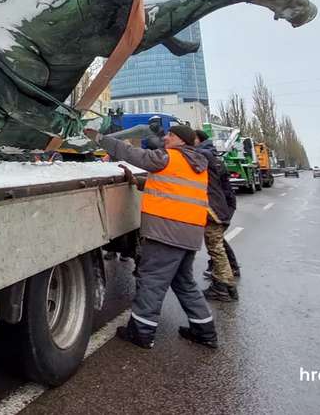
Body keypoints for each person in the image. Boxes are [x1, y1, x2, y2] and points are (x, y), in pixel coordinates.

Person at [84, 123, 217, 350]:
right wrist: (138, 182)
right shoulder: (196, 163)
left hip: (167, 232)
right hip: (190, 232)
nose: (166, 138)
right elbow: (172, 187)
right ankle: (205, 330)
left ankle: (142, 332)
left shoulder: (168, 157)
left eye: (171, 135)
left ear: (182, 141)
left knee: (152, 281)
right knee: (184, 282)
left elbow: (132, 154)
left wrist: (100, 138)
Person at [195, 129, 240, 300]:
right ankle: (226, 285)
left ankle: (223, 287)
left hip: (215, 209)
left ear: (198, 140)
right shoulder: (213, 155)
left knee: (216, 247)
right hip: (223, 205)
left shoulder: (203, 155)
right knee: (217, 245)